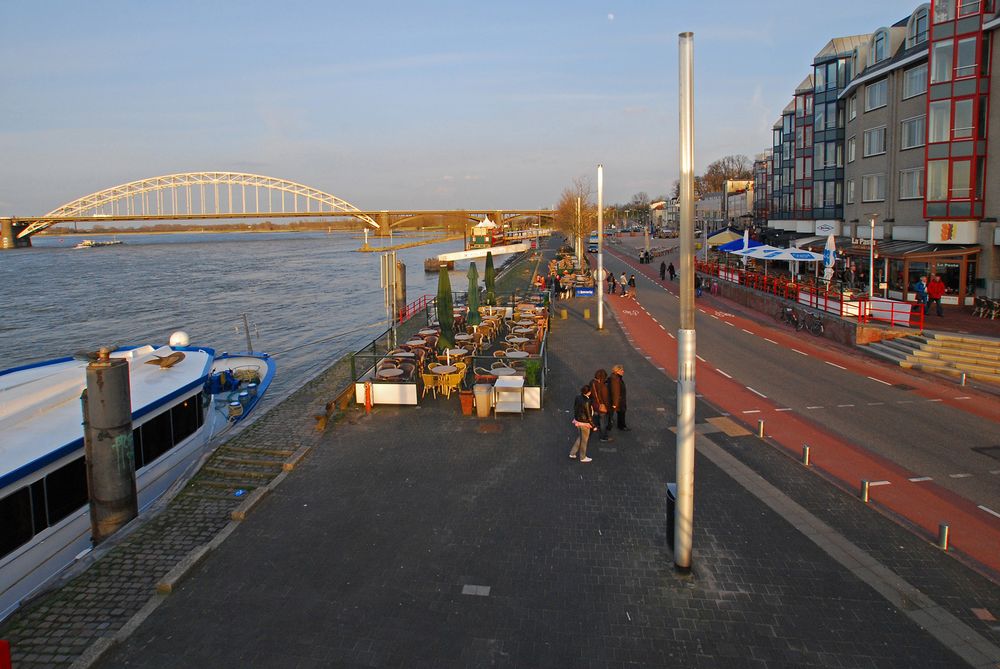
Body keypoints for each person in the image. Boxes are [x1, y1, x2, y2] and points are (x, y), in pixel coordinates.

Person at [569, 385, 594, 462]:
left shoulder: (578, 397)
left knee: (581, 437)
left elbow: (575, 407)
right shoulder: (587, 401)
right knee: (584, 440)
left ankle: (572, 453)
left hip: (577, 421)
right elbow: (589, 415)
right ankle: (582, 457)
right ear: (588, 392)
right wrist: (593, 425)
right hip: (585, 423)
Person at [589, 369, 613, 442]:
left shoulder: (592, 382)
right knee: (603, 422)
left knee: (595, 416)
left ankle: (592, 428)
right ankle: (603, 437)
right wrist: (609, 409)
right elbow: (606, 399)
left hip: (594, 404)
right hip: (601, 406)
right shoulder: (603, 386)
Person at [608, 364, 629, 432]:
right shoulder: (616, 379)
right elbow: (616, 391)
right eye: (621, 370)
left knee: (619, 413)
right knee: (621, 412)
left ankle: (620, 425)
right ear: (617, 371)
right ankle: (621, 426)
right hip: (619, 400)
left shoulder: (615, 377)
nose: (623, 371)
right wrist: (615, 403)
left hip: (619, 399)